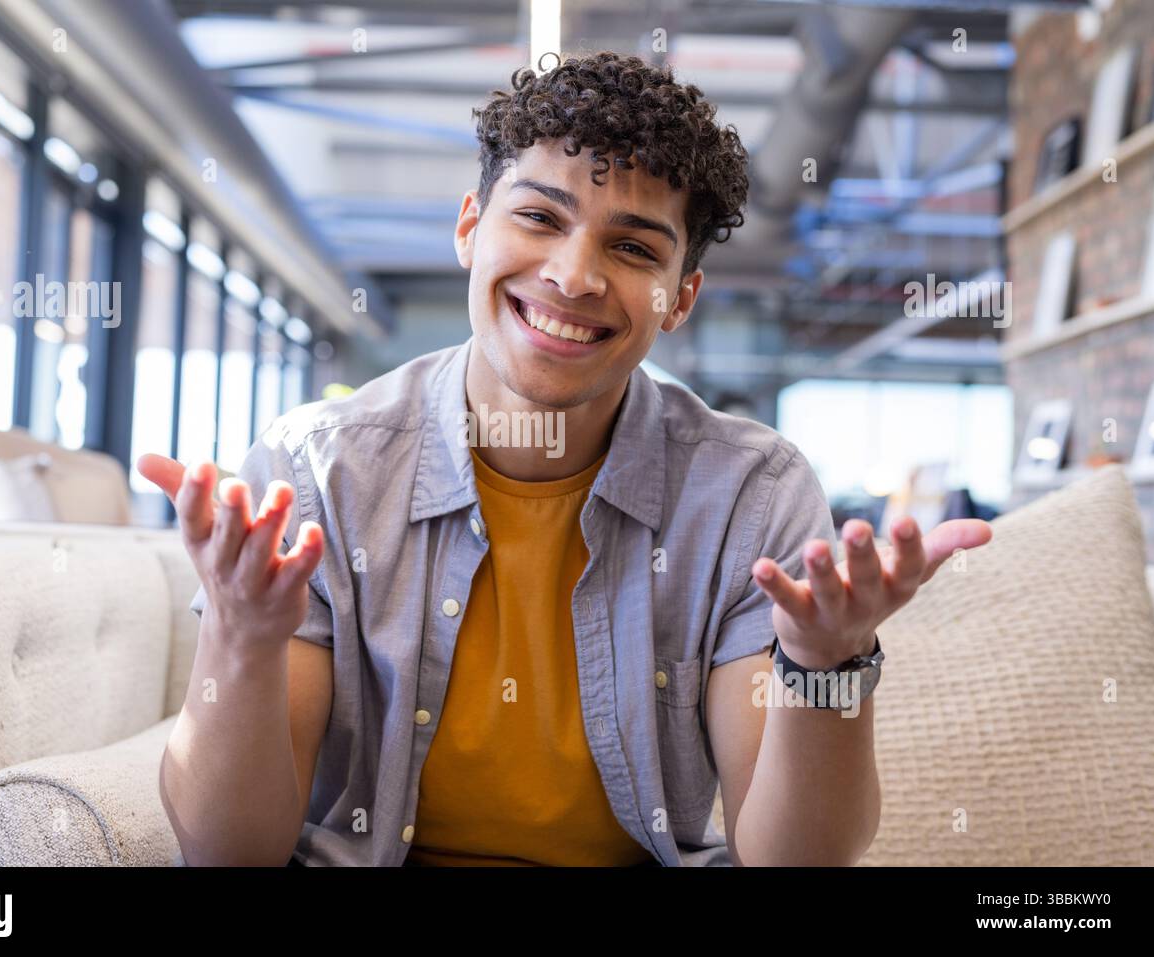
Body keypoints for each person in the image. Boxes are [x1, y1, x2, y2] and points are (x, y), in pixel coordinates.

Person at [137, 51, 992, 867]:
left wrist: (824, 665)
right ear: (471, 228)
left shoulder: (749, 496)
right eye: (540, 217)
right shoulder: (316, 474)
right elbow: (229, 851)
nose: (574, 276)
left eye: (633, 248)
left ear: (680, 297)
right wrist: (243, 640)